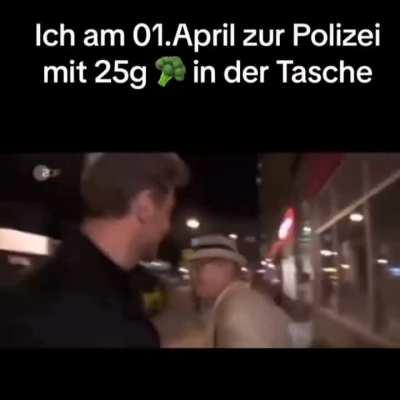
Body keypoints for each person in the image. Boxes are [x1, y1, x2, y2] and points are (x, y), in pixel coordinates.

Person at [0, 153, 189, 348]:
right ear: (145, 207)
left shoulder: (35, 296)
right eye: (168, 212)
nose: (167, 227)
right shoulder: (100, 320)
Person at [189, 234, 291, 348]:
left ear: (222, 266)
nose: (192, 274)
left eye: (198, 266)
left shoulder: (237, 314)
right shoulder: (236, 301)